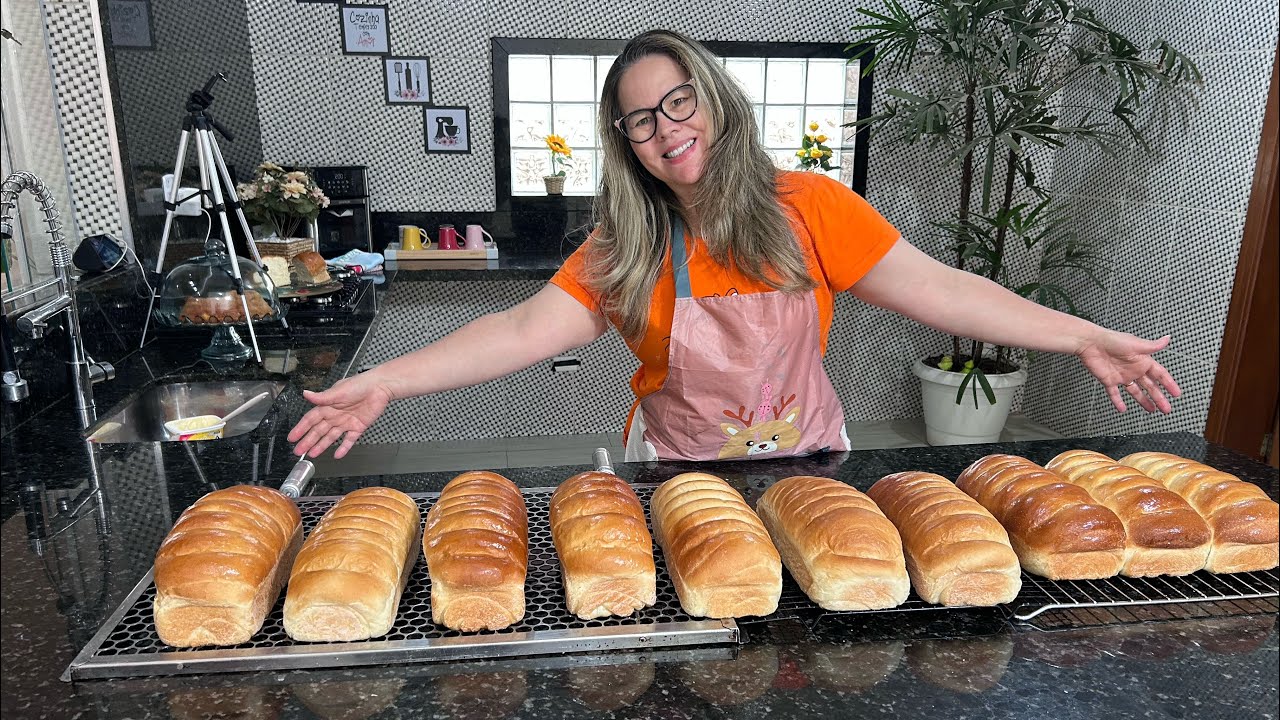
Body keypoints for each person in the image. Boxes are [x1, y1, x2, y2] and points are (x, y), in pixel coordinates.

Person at [289, 29, 1180, 462]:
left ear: (715, 100)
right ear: (624, 143)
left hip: (810, 459)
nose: (666, 129)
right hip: (676, 470)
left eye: (679, 101)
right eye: (640, 120)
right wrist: (384, 381)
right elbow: (524, 330)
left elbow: (941, 289)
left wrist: (1080, 334)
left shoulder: (810, 207)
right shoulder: (628, 243)